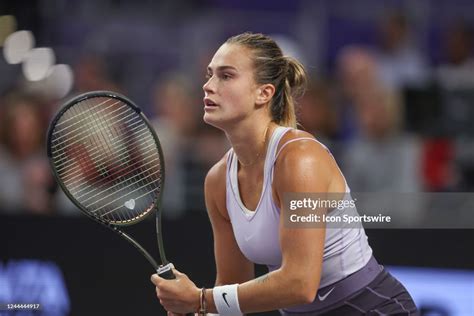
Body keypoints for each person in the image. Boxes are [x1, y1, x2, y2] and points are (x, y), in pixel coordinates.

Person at [151, 32, 418, 315]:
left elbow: (300, 283)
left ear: (263, 93)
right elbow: (231, 286)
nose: (208, 86)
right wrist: (200, 310)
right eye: (209, 75)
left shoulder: (300, 160)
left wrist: (201, 299)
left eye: (226, 76)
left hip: (371, 308)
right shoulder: (217, 182)